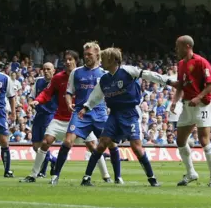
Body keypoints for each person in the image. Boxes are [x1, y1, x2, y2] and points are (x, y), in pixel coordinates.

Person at [79, 47, 173, 187]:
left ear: (112, 60)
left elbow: (148, 74)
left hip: (130, 113)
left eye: (103, 58)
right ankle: (86, 178)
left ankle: (152, 178)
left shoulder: (127, 71)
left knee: (136, 147)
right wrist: (86, 107)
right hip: (114, 114)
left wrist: (168, 81)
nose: (101, 61)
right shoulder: (104, 79)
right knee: (102, 143)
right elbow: (96, 95)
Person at [20, 51, 99, 183]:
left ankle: (106, 176)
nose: (67, 62)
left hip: (80, 117)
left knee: (93, 146)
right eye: (65, 60)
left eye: (70, 59)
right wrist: (37, 100)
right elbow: (46, 92)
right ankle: (33, 175)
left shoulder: (84, 75)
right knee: (45, 142)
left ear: (76, 61)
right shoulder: (57, 78)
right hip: (60, 117)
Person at [50, 42, 116, 185]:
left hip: (99, 113)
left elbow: (112, 94)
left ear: (97, 55)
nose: (86, 57)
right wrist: (68, 103)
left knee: (110, 143)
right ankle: (55, 176)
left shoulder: (104, 74)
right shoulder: (76, 72)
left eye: (89, 54)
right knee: (68, 141)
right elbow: (69, 93)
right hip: (80, 113)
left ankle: (116, 177)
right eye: (85, 54)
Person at [170, 35, 211, 188]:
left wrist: (199, 97)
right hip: (187, 105)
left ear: (187, 46)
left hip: (202, 105)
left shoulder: (201, 62)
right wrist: (174, 101)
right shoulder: (180, 64)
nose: (176, 49)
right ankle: (191, 173)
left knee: (204, 140)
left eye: (178, 46)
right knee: (180, 140)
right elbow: (180, 85)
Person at [29, 62, 57, 178]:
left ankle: (42, 171)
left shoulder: (57, 82)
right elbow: (32, 95)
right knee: (36, 146)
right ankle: (53, 160)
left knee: (44, 144)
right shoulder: (39, 81)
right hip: (39, 115)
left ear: (53, 70)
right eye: (44, 69)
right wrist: (31, 102)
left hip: (50, 115)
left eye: (48, 69)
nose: (46, 71)